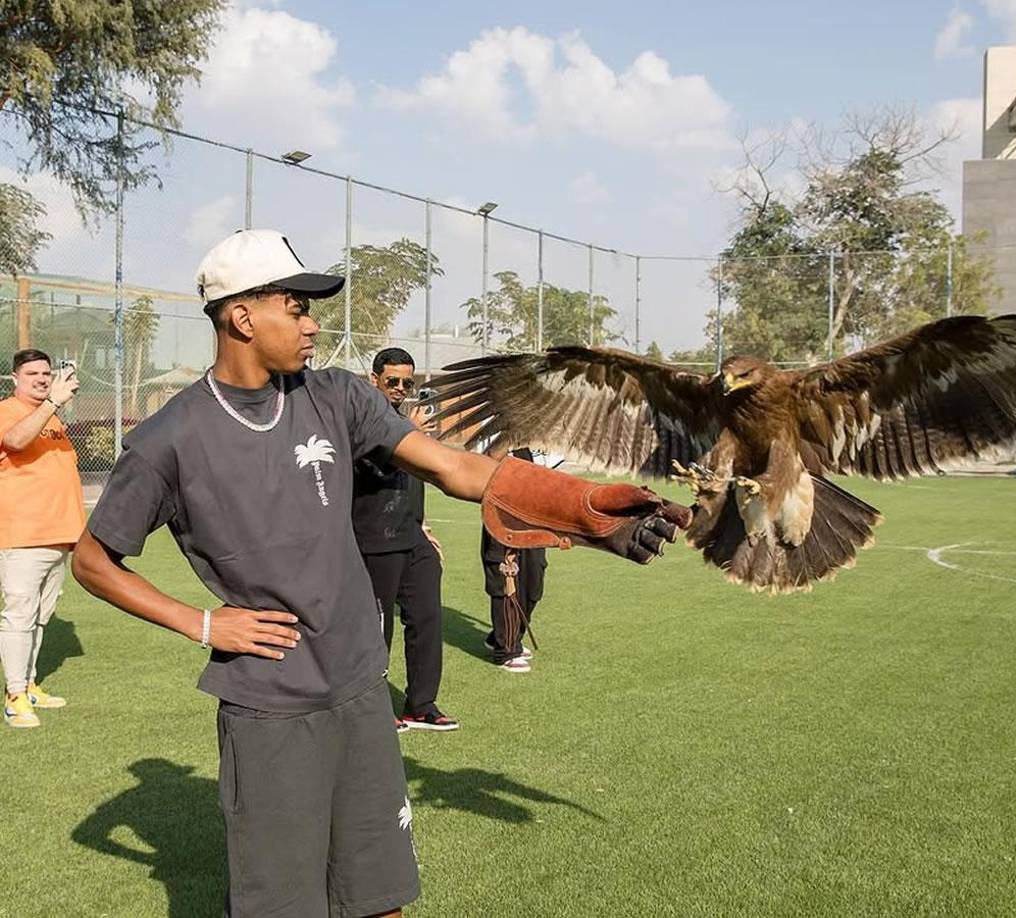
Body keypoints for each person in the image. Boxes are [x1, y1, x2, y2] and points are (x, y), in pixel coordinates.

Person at [71, 228, 690, 917]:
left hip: (362, 683)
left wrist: (586, 508)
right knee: (285, 906)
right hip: (271, 706)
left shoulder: (335, 395)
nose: (312, 324)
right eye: (296, 307)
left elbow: (453, 466)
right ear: (242, 317)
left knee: (381, 898)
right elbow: (93, 560)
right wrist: (203, 621)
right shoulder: (169, 439)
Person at [354, 347, 456, 732]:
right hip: (374, 539)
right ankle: (376, 708)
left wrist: (424, 527)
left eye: (407, 383)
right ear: (374, 380)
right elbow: (374, 469)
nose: (399, 388)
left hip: (412, 538)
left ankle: (421, 705)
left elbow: (418, 479)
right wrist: (410, 433)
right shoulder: (361, 422)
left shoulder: (406, 423)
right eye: (392, 381)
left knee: (428, 619)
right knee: (378, 629)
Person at [0, 349, 85, 728]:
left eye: (46, 373)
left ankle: (30, 685)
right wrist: (52, 402)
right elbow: (16, 442)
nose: (41, 378)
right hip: (22, 536)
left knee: (39, 617)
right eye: (32, 372)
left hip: (58, 536)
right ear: (15, 378)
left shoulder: (52, 420)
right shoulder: (8, 411)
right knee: (19, 616)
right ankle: (14, 695)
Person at [482, 448, 548, 674]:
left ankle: (501, 636)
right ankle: (507, 649)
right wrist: (512, 434)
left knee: (533, 581)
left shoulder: (533, 440)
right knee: (506, 580)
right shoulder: (500, 431)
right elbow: (489, 459)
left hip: (535, 515)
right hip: (503, 514)